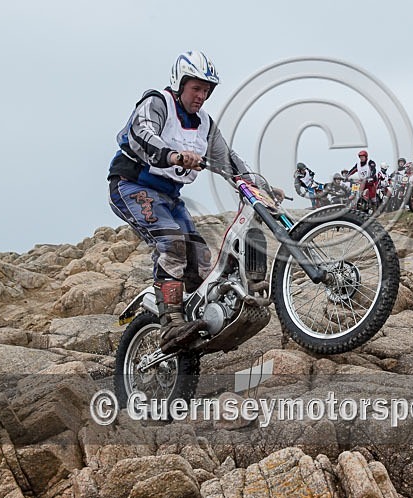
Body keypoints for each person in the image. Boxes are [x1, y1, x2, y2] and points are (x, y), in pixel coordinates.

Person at [107, 50, 282, 356]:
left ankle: (198, 325)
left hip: (170, 197)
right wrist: (172, 154)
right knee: (172, 244)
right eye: (196, 88)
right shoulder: (157, 103)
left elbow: (228, 160)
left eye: (206, 90)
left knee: (201, 265)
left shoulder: (204, 125)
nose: (201, 96)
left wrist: (261, 187)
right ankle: (171, 322)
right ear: (180, 83)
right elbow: (140, 132)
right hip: (132, 186)